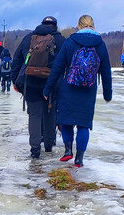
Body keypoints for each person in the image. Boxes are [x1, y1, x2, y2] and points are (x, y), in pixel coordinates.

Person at [43, 14, 112, 167]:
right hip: (88, 90)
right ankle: (79, 158)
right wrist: (108, 94)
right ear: (93, 25)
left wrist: (47, 89)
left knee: (66, 121)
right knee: (83, 125)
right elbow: (106, 71)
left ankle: (68, 151)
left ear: (79, 25)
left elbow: (58, 68)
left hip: (69, 87)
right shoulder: (100, 44)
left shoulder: (71, 42)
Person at [11, 16, 65, 160]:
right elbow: (67, 64)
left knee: (34, 115)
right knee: (50, 113)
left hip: (31, 83)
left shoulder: (28, 38)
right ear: (55, 26)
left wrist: (15, 81)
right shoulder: (60, 40)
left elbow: (16, 61)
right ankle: (48, 145)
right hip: (52, 84)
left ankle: (35, 149)